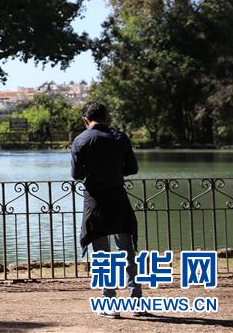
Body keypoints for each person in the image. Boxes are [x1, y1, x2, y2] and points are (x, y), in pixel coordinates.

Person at [71, 101, 143, 318]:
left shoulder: (81, 140)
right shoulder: (120, 138)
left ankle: (110, 303)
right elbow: (132, 168)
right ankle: (136, 301)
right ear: (106, 117)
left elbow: (76, 175)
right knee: (127, 251)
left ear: (86, 120)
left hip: (95, 202)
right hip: (118, 198)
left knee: (102, 255)